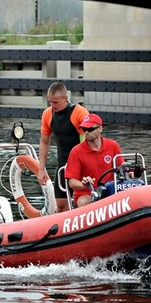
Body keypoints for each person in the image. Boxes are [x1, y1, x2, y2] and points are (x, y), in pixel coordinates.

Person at [37, 82, 89, 212]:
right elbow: (44, 142)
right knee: (60, 205)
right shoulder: (47, 114)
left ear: (65, 98)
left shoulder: (79, 112)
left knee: (84, 201)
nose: (52, 106)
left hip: (82, 163)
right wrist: (41, 169)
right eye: (50, 102)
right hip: (63, 164)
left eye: (56, 102)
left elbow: (87, 141)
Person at [65, 113, 125, 208]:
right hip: (86, 193)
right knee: (85, 202)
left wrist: (132, 172)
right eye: (84, 129)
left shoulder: (113, 146)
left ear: (100, 129)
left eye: (90, 129)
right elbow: (72, 182)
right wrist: (85, 185)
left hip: (110, 190)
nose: (86, 132)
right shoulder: (76, 151)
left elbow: (123, 166)